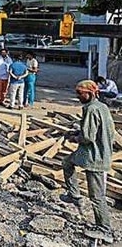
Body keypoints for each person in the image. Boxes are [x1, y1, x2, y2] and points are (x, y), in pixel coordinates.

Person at [61, 80, 115, 244]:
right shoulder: (101, 107)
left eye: (80, 93)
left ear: (90, 93)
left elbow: (87, 137)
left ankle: (105, 229)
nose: (78, 96)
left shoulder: (91, 110)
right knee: (67, 163)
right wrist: (77, 131)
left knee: (97, 196)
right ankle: (74, 194)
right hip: (92, 152)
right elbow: (93, 130)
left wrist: (75, 137)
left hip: (95, 156)